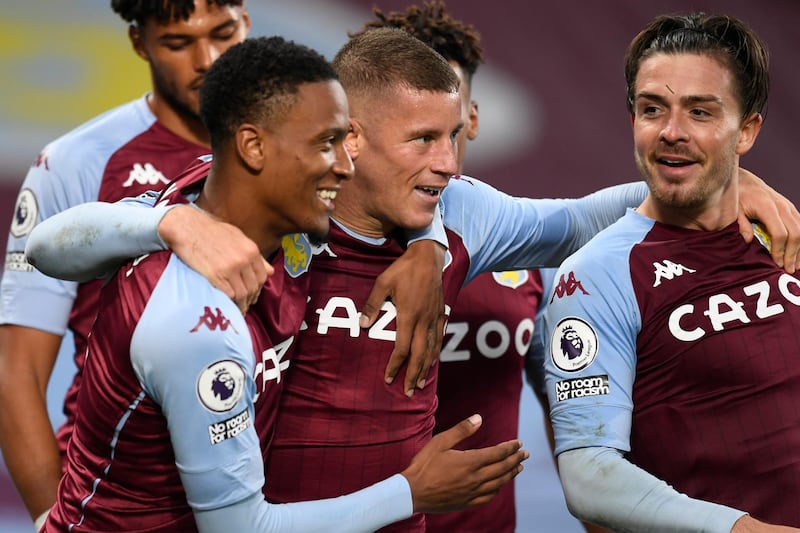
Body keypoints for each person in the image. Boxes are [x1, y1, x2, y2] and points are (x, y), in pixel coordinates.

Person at [29, 26, 800, 533]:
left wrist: (740, 179)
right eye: (425, 139)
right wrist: (169, 222)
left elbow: (579, 217)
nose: (451, 161)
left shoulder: (460, 212)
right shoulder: (265, 214)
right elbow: (52, 245)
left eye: (456, 133)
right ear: (350, 139)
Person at [39, 35, 531, 533]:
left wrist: (430, 241)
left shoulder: (254, 226)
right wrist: (412, 492)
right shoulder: (199, 324)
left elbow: (52, 245)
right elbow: (239, 528)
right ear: (255, 149)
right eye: (327, 144)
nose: (344, 163)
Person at [542, 12, 800, 532]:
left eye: (700, 112)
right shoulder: (595, 276)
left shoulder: (786, 234)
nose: (671, 132)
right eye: (652, 109)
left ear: (746, 130)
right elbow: (588, 476)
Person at [354, 4, 548, 532]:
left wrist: (736, 186)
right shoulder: (315, 245)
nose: (434, 137)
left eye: (447, 113)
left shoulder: (525, 251)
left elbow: (575, 428)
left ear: (472, 117)